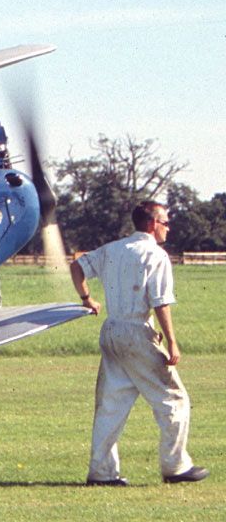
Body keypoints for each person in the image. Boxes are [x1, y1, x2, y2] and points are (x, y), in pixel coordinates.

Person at [70, 200, 208, 486]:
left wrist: (87, 299)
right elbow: (160, 303)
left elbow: (77, 266)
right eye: (165, 222)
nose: (168, 227)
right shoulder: (156, 255)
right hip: (137, 331)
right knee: (174, 399)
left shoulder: (112, 249)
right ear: (151, 224)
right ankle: (176, 466)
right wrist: (172, 342)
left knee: (111, 404)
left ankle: (102, 472)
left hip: (111, 330)